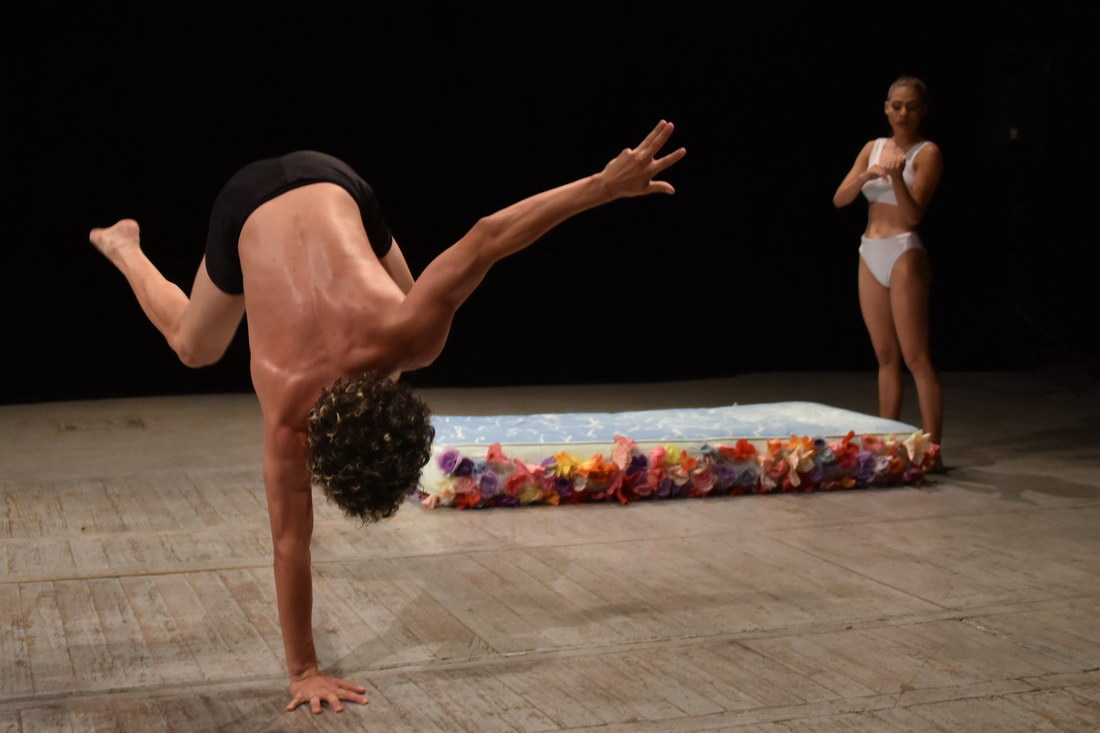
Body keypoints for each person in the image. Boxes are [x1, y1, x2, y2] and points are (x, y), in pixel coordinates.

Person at [88, 121, 686, 715]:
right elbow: (290, 542)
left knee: (421, 314)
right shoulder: (290, 413)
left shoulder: (407, 338)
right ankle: (123, 247)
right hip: (252, 205)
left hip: (336, 185)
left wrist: (604, 187)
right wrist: (302, 671)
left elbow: (486, 237)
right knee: (196, 347)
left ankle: (126, 245)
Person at [832, 77, 944, 453]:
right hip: (869, 249)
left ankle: (933, 449)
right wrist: (866, 173)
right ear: (886, 107)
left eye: (911, 106)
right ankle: (889, 444)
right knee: (885, 356)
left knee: (916, 357)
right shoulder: (872, 147)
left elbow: (913, 216)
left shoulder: (927, 153)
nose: (903, 113)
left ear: (922, 110)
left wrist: (897, 177)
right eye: (897, 105)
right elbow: (840, 199)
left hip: (903, 250)